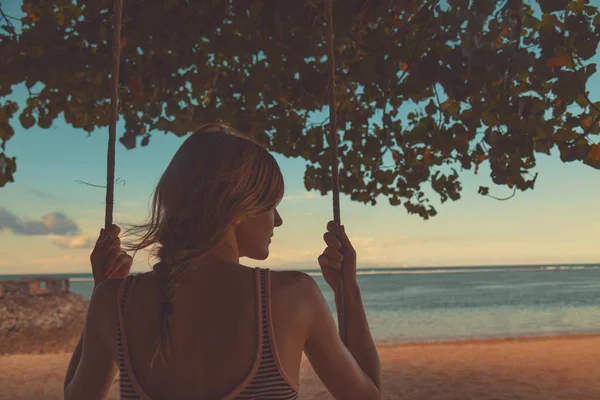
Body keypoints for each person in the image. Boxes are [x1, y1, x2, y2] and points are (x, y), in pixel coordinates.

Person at [63, 124, 382, 400]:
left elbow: (75, 395)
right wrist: (347, 292)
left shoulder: (113, 300)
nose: (279, 220)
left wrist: (102, 290)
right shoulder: (293, 295)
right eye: (272, 205)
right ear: (237, 209)